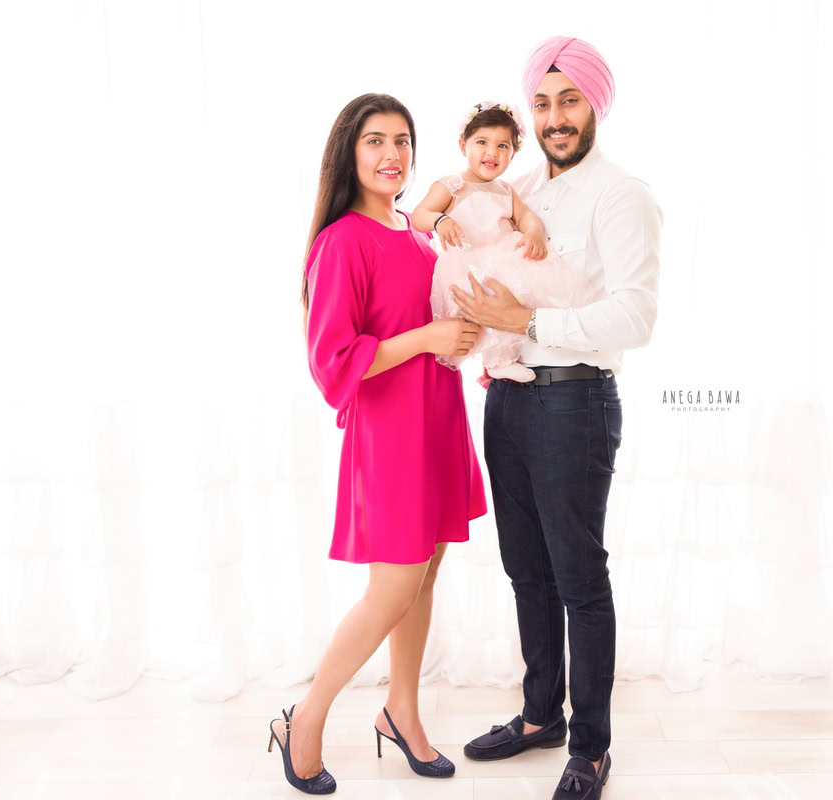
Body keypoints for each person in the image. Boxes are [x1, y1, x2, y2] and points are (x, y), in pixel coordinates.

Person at [452, 37, 663, 800]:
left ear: (595, 103)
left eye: (568, 99)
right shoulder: (521, 192)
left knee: (578, 576)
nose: (553, 117)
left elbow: (635, 314)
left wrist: (529, 325)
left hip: (573, 399)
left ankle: (592, 745)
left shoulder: (621, 195)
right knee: (525, 567)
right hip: (506, 396)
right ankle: (540, 713)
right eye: (541, 103)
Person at [266, 93, 488, 795]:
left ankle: (402, 710)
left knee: (423, 577)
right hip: (391, 432)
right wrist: (427, 338)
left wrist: (462, 332)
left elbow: (430, 317)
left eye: (402, 141)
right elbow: (332, 359)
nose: (393, 156)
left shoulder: (415, 232)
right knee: (393, 585)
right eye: (375, 142)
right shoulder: (342, 240)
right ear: (348, 154)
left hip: (437, 417)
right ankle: (304, 716)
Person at [412, 101, 594, 386]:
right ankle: (496, 362)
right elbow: (419, 216)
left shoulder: (506, 189)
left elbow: (526, 217)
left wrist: (533, 233)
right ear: (463, 146)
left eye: (503, 146)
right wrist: (440, 221)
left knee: (519, 300)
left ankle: (505, 357)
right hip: (467, 262)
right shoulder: (451, 185)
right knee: (479, 311)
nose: (491, 152)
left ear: (513, 152)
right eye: (482, 142)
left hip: (501, 259)